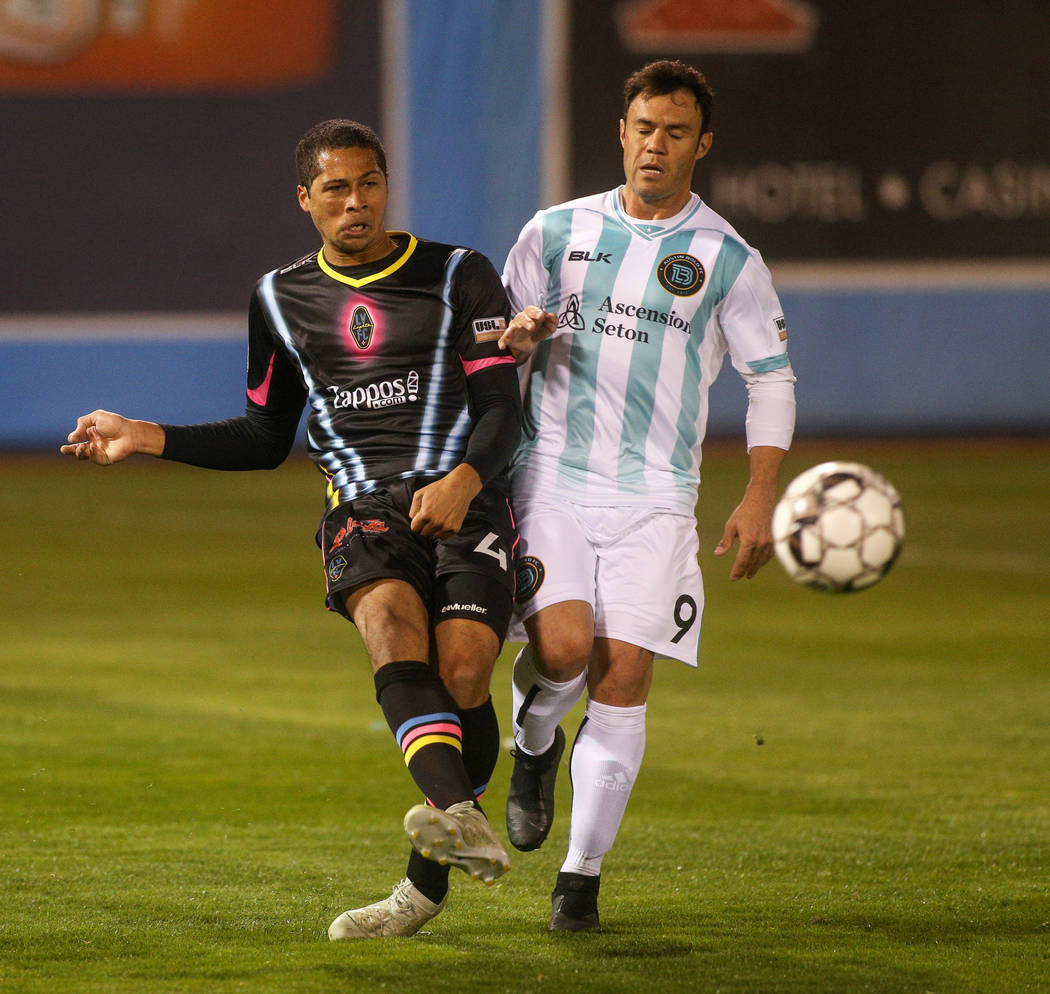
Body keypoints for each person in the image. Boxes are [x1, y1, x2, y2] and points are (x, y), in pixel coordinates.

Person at [61, 119, 523, 939]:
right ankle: (457, 811)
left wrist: (463, 480)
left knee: (465, 677)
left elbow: (501, 408)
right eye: (337, 190)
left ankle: (421, 889)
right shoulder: (278, 298)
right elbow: (264, 437)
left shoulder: (458, 274)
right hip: (362, 507)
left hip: (465, 498)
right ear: (304, 199)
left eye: (369, 184)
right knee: (388, 626)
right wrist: (145, 434)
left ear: (385, 186)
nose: (356, 204)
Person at [496, 60, 796, 931]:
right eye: (642, 128)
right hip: (552, 473)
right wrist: (514, 339)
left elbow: (769, 378)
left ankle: (579, 884)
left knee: (624, 675)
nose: (654, 146)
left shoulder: (728, 259)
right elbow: (493, 343)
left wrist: (760, 493)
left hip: (661, 494)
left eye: (674, 132)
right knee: (561, 650)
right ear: (621, 133)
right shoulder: (554, 232)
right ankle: (535, 742)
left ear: (702, 145)